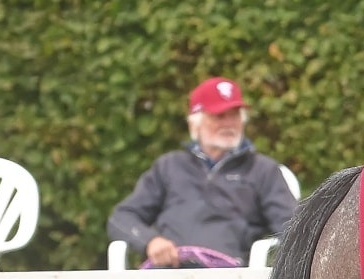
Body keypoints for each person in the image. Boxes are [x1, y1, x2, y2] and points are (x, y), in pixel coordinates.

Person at [109, 77, 298, 268]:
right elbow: (122, 217)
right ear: (195, 124)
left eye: (235, 115)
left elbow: (292, 228)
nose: (229, 124)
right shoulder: (169, 166)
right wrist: (150, 241)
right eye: (219, 116)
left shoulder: (263, 170)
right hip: (166, 276)